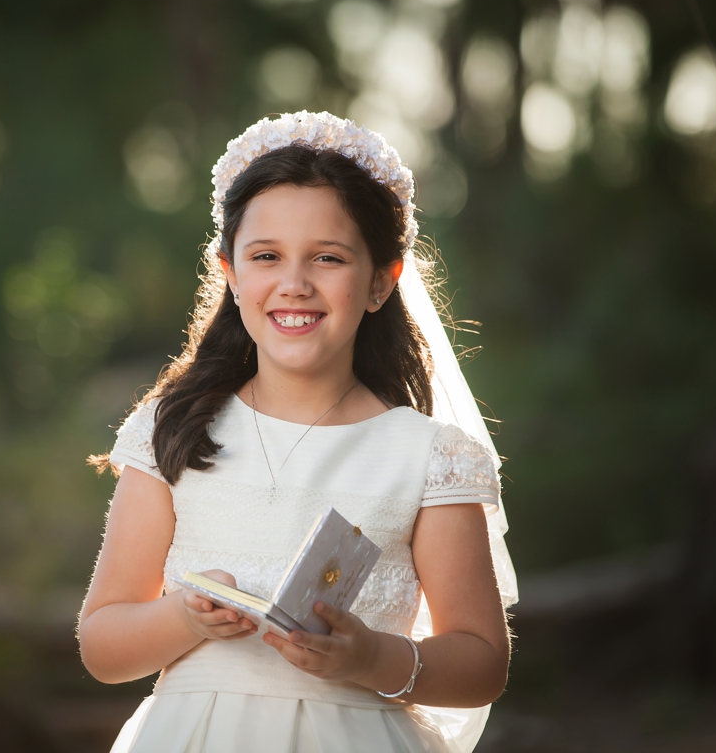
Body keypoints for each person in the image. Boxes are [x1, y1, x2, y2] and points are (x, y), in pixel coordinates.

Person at [79, 111, 517, 753]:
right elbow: (102, 646)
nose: (294, 284)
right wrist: (183, 617)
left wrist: (367, 657)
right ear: (230, 273)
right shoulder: (172, 431)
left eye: (328, 258)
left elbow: (482, 663)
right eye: (266, 257)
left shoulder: (428, 457)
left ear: (378, 282)